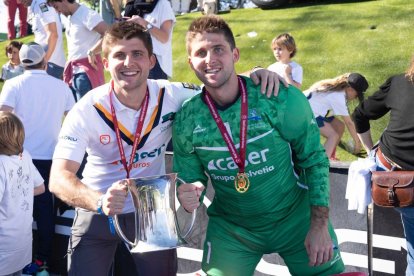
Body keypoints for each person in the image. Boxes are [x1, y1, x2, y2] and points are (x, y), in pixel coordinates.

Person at [48, 20, 280, 276]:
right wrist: (100, 201)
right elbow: (59, 178)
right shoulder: (87, 109)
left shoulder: (172, 94)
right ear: (105, 63)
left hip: (151, 207)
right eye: (119, 56)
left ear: (151, 61)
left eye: (137, 54)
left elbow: (220, 83)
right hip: (100, 207)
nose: (128, 63)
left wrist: (258, 71)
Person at [173, 15, 345, 276]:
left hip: (295, 219)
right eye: (201, 52)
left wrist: (320, 225)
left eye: (218, 49)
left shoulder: (275, 96)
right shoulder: (187, 116)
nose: (210, 59)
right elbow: (188, 177)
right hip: (233, 230)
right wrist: (186, 192)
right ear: (190, 62)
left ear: (235, 54)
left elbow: (314, 159)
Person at [0, 42, 75, 275]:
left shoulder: (13, 84)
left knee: (12, 209)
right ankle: (42, 260)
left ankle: (30, 260)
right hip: (50, 158)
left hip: (17, 156)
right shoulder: (61, 86)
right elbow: (73, 122)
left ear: (22, 63)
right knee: (45, 213)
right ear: (45, 61)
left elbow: (3, 117)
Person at [352, 55, 414, 275]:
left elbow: (360, 115)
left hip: (392, 177)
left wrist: (371, 152)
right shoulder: (399, 82)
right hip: (399, 182)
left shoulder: (399, 82)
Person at [0, 111, 45, 276]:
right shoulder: (24, 156)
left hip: (3, 247)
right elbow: (41, 187)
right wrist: (16, 195)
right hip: (22, 245)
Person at [47, 0, 108, 101]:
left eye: (56, 6)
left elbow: (109, 34)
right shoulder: (72, 17)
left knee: (88, 113)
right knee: (79, 113)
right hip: (76, 73)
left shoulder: (86, 14)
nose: (57, 11)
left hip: (86, 73)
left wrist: (92, 51)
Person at [303, 73, 368, 160]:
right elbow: (349, 123)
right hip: (305, 114)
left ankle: (330, 156)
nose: (356, 98)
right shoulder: (338, 97)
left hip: (308, 107)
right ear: (350, 89)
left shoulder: (335, 87)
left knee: (339, 126)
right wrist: (357, 143)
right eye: (357, 95)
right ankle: (320, 165)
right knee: (333, 135)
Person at [125, 0, 176, 80]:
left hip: (156, 62)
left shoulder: (163, 4)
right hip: (137, 57)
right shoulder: (135, 4)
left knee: (156, 92)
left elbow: (164, 37)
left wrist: (146, 24)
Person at [20, 0, 66, 79]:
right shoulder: (37, 5)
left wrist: (43, 62)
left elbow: (53, 35)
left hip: (50, 64)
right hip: (47, 63)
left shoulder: (41, 4)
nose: (18, 1)